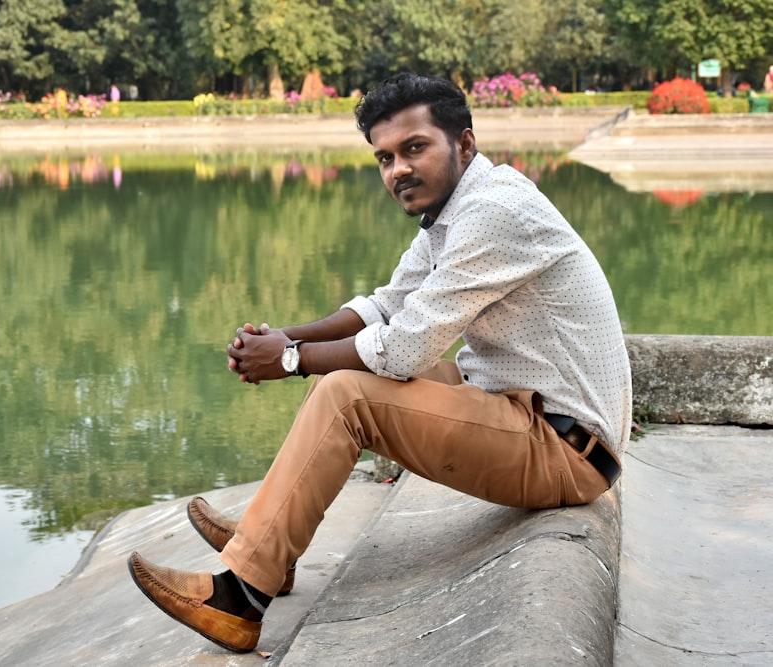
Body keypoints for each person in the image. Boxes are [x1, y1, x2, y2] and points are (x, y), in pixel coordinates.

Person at [127, 72, 632, 653]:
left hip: (564, 451)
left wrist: (289, 359)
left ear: (463, 144)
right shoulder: (456, 208)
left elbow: (406, 349)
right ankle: (266, 545)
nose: (398, 170)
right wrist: (287, 336)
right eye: (384, 157)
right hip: (527, 413)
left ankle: (238, 598)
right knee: (348, 377)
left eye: (414, 149)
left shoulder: (494, 212)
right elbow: (387, 305)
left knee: (351, 393)